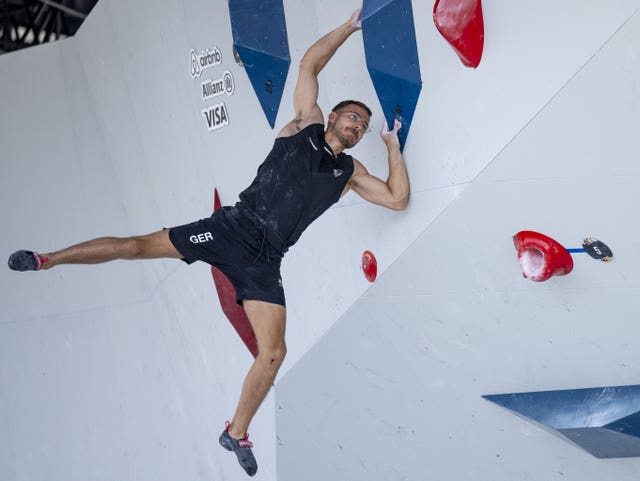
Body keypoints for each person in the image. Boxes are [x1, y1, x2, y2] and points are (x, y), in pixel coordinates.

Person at [7, 8, 409, 477]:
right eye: (354, 118)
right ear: (335, 115)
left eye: (362, 126)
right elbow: (307, 66)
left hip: (266, 261)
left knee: (274, 353)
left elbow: (398, 200)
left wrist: (391, 145)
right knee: (138, 247)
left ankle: (235, 432)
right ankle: (47, 259)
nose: (357, 127)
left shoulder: (350, 174)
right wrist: (348, 27)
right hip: (231, 228)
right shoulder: (305, 124)